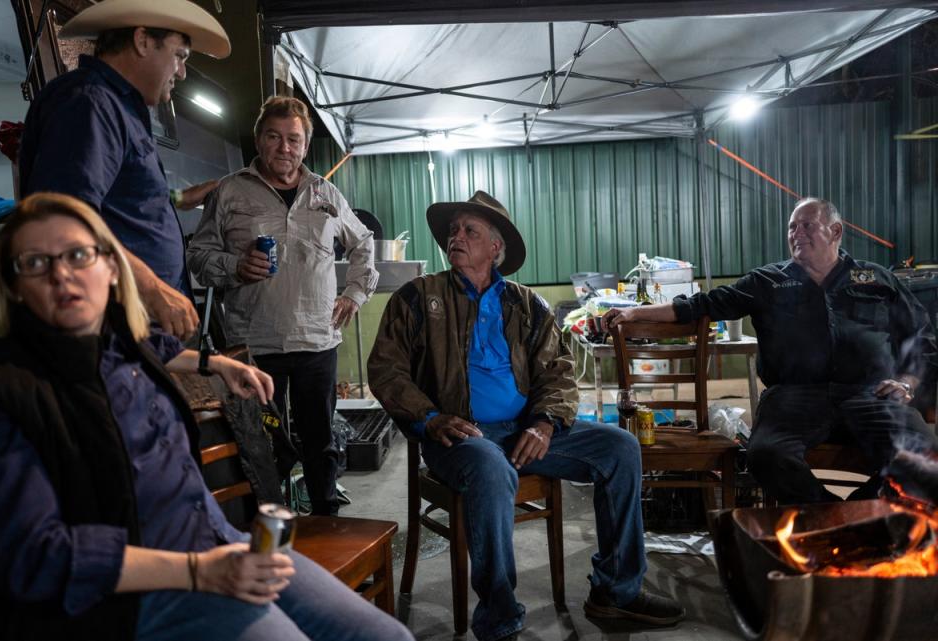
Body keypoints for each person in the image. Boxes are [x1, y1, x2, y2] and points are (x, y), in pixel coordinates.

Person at [0, 193, 413, 641]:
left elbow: (159, 349)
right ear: (13, 287)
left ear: (110, 267)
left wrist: (219, 364)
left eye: (77, 254)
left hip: (220, 540)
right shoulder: (1, 391)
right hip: (139, 591)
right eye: (34, 262)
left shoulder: (116, 340)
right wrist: (200, 572)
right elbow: (35, 557)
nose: (61, 274)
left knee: (387, 636)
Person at [368, 191, 684, 641]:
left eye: (468, 230)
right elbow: (386, 369)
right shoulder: (418, 298)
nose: (455, 237)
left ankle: (616, 591)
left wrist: (544, 422)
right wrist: (430, 417)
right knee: (491, 469)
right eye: (452, 230)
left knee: (620, 447)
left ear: (495, 247)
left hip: (523, 431)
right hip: (457, 436)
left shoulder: (527, 305)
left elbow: (558, 372)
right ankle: (499, 619)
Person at [605, 197, 938, 505]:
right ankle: (830, 518)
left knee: (926, 458)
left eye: (807, 225)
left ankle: (859, 515)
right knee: (765, 455)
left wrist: (907, 382)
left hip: (870, 395)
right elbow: (699, 305)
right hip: (794, 398)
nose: (796, 233)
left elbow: (922, 335)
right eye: (792, 227)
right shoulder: (767, 281)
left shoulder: (875, 278)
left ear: (835, 231)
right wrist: (635, 312)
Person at [188, 96, 378, 516]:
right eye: (274, 137)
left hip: (316, 340)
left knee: (320, 440)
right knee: (260, 442)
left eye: (294, 139)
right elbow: (198, 257)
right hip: (255, 344)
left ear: (306, 145)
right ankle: (269, 532)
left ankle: (325, 518)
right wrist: (235, 265)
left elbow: (363, 242)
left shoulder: (324, 192)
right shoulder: (231, 191)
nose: (284, 148)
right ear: (259, 139)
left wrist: (354, 293)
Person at [18, 0, 230, 339]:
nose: (182, 73)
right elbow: (60, 222)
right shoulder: (89, 103)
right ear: (143, 40)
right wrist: (152, 289)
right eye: (180, 56)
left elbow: (123, 198)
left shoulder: (120, 107)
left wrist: (179, 197)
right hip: (109, 331)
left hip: (135, 330)